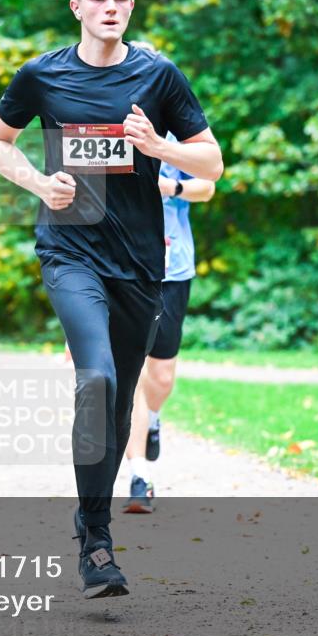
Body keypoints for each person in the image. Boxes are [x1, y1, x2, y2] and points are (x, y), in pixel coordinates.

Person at [0, 0, 222, 599]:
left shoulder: (158, 73)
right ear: (77, 6)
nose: (110, 6)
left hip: (141, 264)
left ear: (131, 6)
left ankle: (92, 521)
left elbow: (212, 162)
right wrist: (39, 183)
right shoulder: (41, 74)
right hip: (69, 251)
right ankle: (96, 541)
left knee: (117, 407)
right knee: (97, 379)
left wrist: (160, 147)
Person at [123, 133, 216, 514]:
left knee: (160, 378)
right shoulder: (107, 132)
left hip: (172, 270)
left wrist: (172, 186)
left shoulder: (178, 134)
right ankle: (138, 476)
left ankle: (154, 419)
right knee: (130, 374)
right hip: (124, 269)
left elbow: (207, 185)